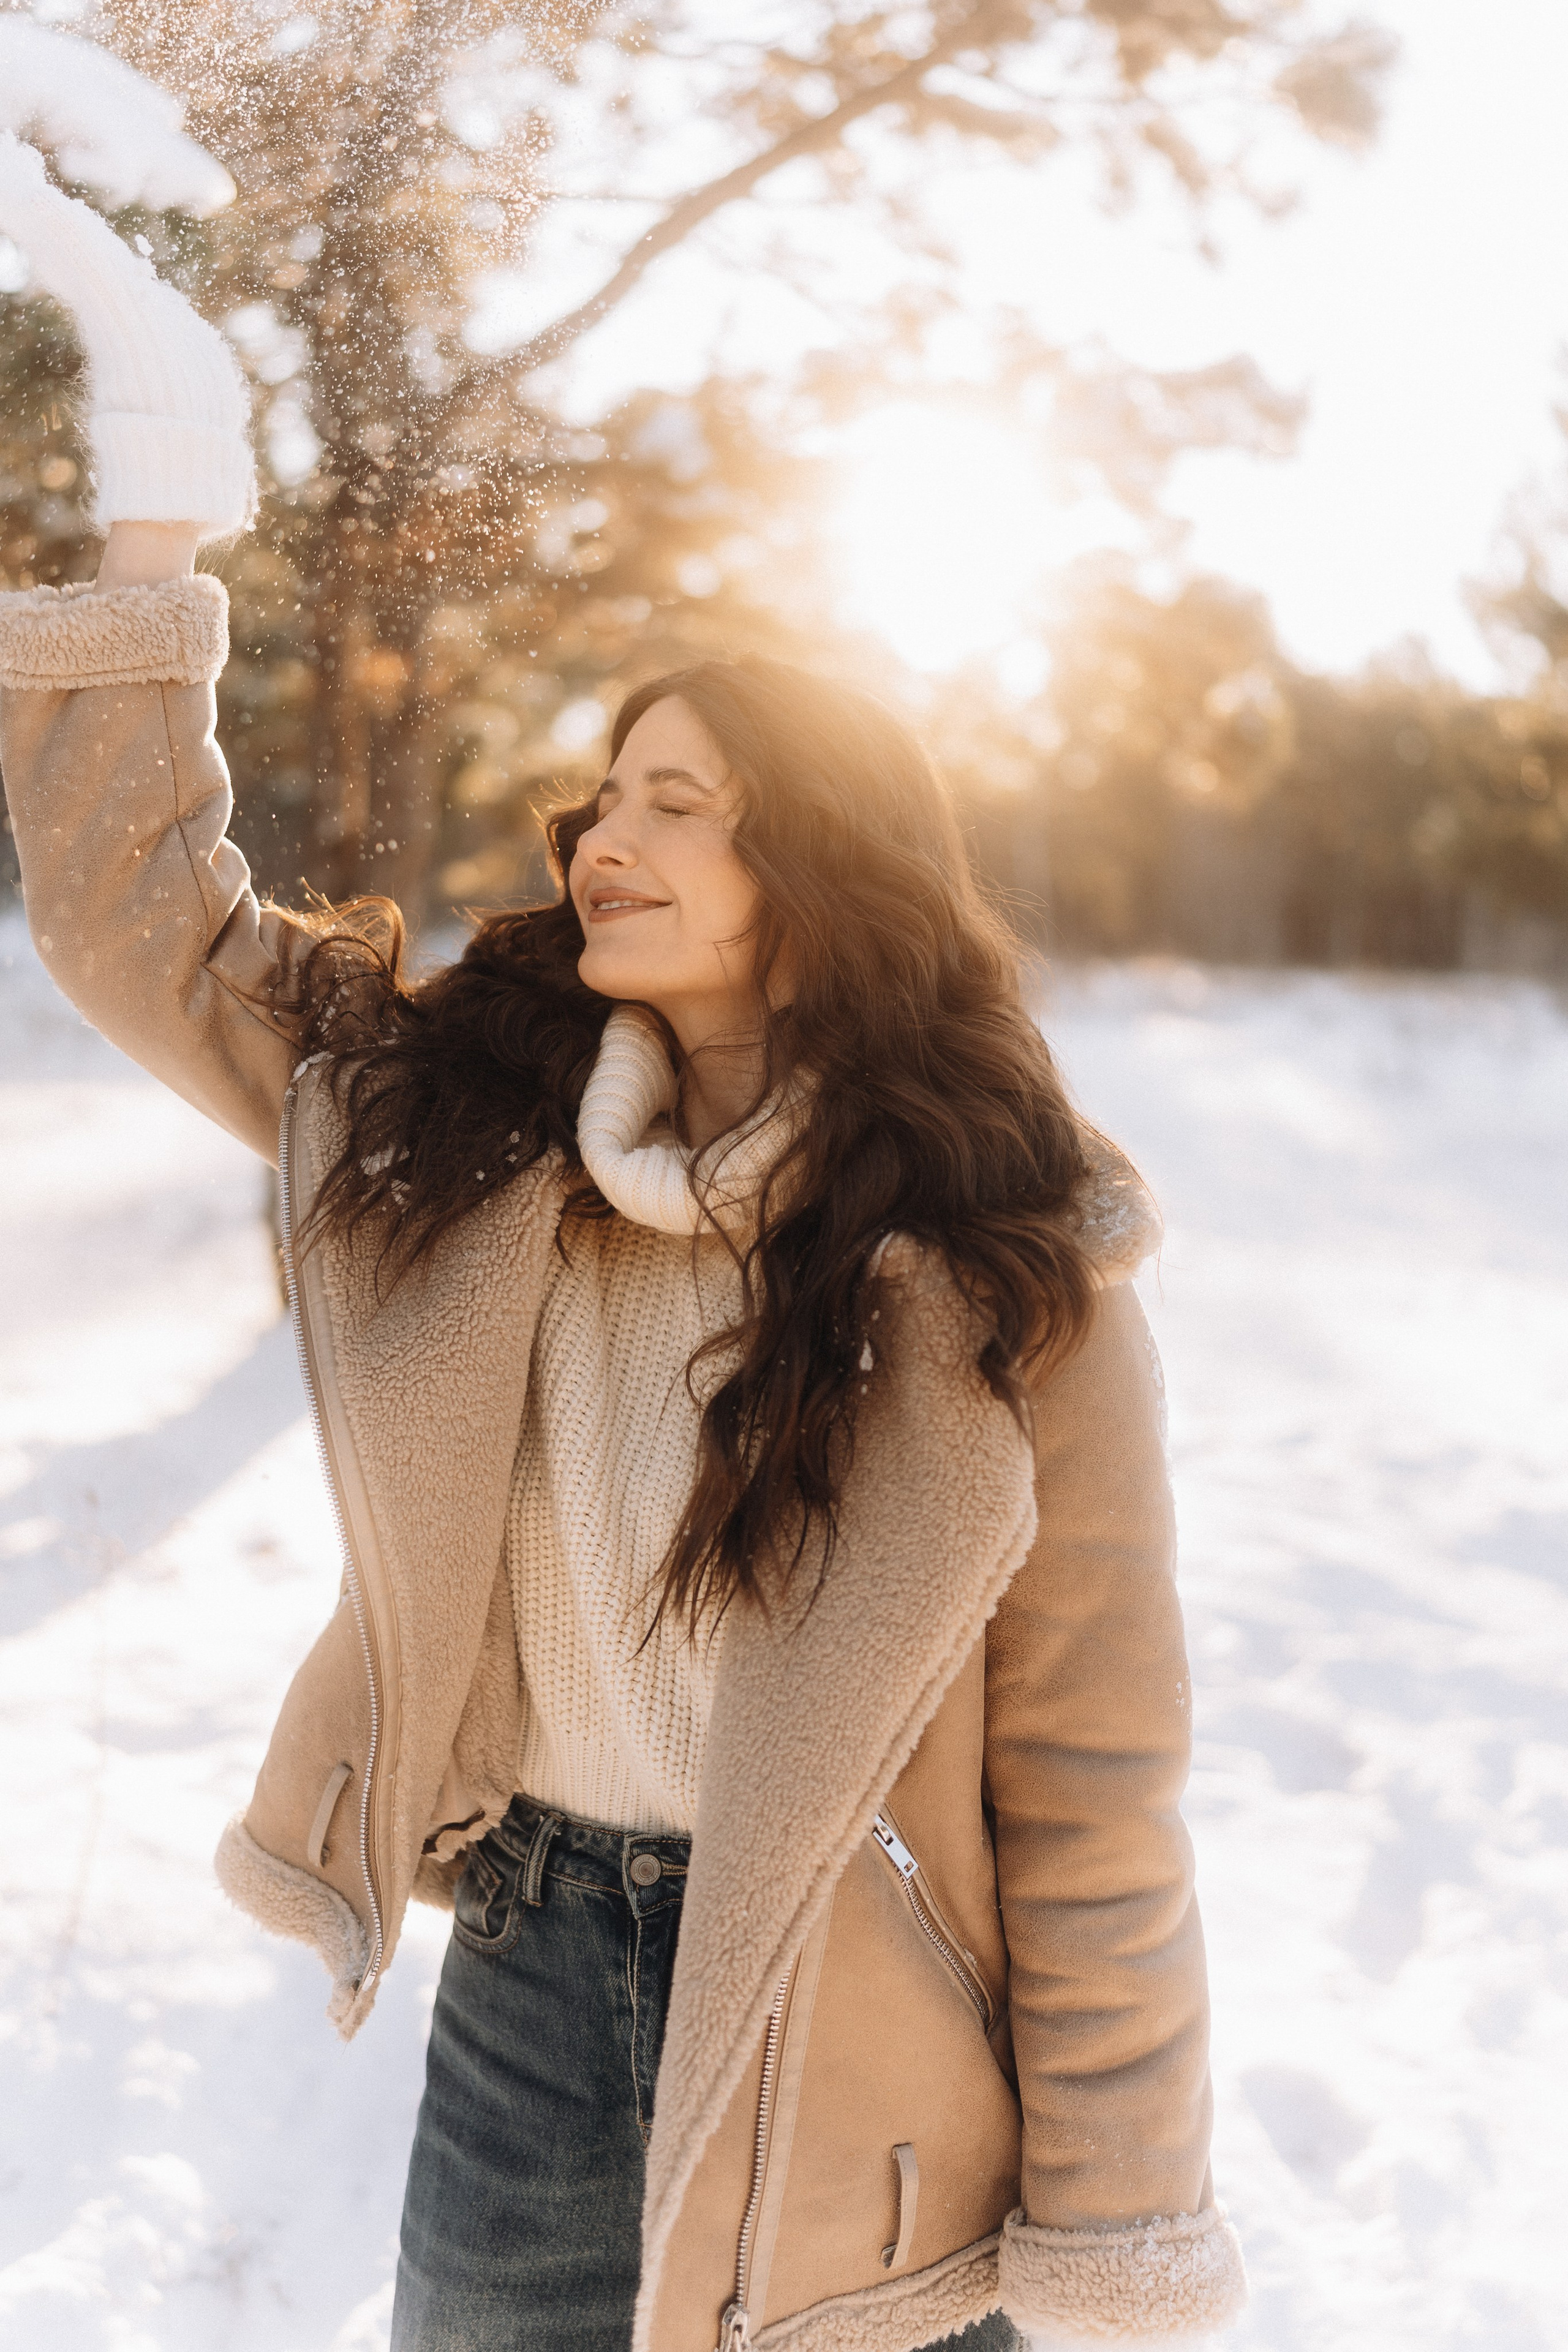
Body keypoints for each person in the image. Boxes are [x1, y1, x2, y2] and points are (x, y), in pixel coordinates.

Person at [0, 130, 1246, 2352]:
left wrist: (1119, 2222)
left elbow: (1091, 1784)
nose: (609, 834)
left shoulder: (1008, 1261)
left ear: (824, 861)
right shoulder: (461, 1117)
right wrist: (161, 503)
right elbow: (136, 918)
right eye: (609, 791)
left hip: (855, 2029)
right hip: (535, 1976)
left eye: (687, 801)